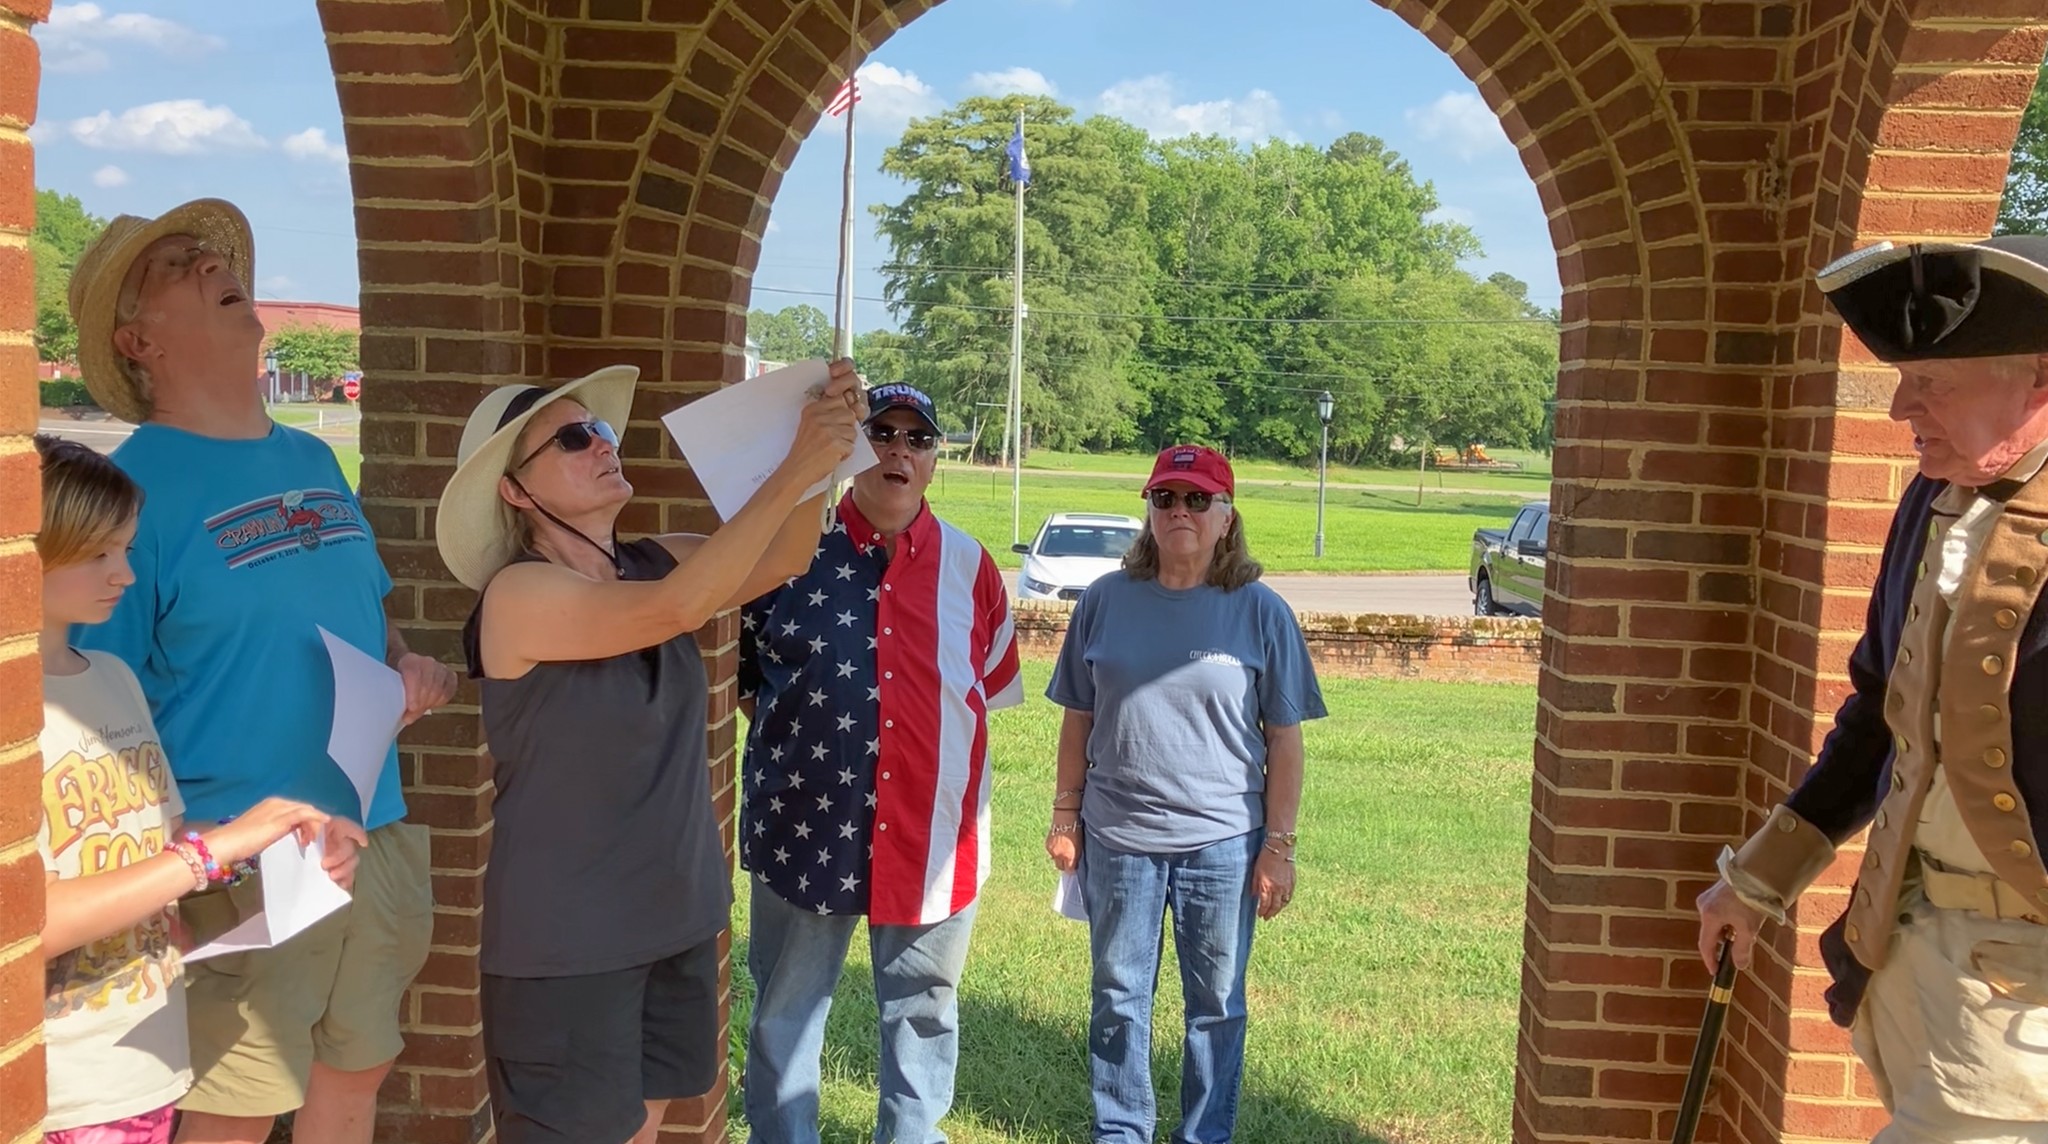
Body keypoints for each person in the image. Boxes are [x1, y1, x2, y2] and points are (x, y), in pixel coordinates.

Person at [62, 198, 459, 1144]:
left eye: (212, 255)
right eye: (174, 266)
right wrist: (197, 854)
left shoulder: (317, 457)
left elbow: (366, 612)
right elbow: (95, 713)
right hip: (246, 868)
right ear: (136, 341)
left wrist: (406, 666)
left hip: (373, 831)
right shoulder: (132, 492)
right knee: (236, 1116)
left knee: (353, 1082)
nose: (209, 263)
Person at [437, 360, 863, 1144]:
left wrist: (823, 455)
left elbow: (783, 559)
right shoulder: (517, 595)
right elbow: (682, 607)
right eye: (573, 438)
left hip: (671, 914)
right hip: (568, 942)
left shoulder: (656, 556)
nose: (604, 444)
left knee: (644, 1124)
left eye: (601, 430)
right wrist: (800, 460)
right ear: (516, 491)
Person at [1696, 235, 2048, 1140]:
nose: (1901, 407)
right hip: (1911, 953)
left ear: (2039, 378)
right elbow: (1877, 721)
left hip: (2027, 1006)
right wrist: (1758, 880)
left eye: (1934, 381)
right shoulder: (1931, 503)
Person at [33, 434, 363, 1144]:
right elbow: (27, 920)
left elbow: (160, 848)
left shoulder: (112, 679)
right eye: (98, 553)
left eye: (126, 548)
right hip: (56, 1087)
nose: (124, 574)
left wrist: (280, 845)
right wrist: (217, 851)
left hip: (144, 1061)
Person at [735, 383, 1023, 1144]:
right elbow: (744, 681)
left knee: (923, 1015)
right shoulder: (787, 552)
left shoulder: (973, 569)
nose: (899, 449)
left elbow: (986, 692)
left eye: (918, 439)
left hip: (933, 837)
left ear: (933, 461)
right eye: (881, 432)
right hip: (806, 833)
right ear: (854, 448)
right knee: (786, 1019)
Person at [1044, 445, 1325, 1144]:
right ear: (1148, 511)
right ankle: (1121, 1130)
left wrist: (1278, 847)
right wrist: (1065, 813)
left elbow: (1285, 740)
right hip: (1118, 839)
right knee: (1117, 997)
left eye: (1199, 500)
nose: (1180, 512)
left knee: (1218, 1006)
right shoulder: (1106, 600)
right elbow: (1078, 715)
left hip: (1224, 843)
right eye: (1166, 498)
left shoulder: (1261, 611)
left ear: (1228, 518)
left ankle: (1204, 1134)